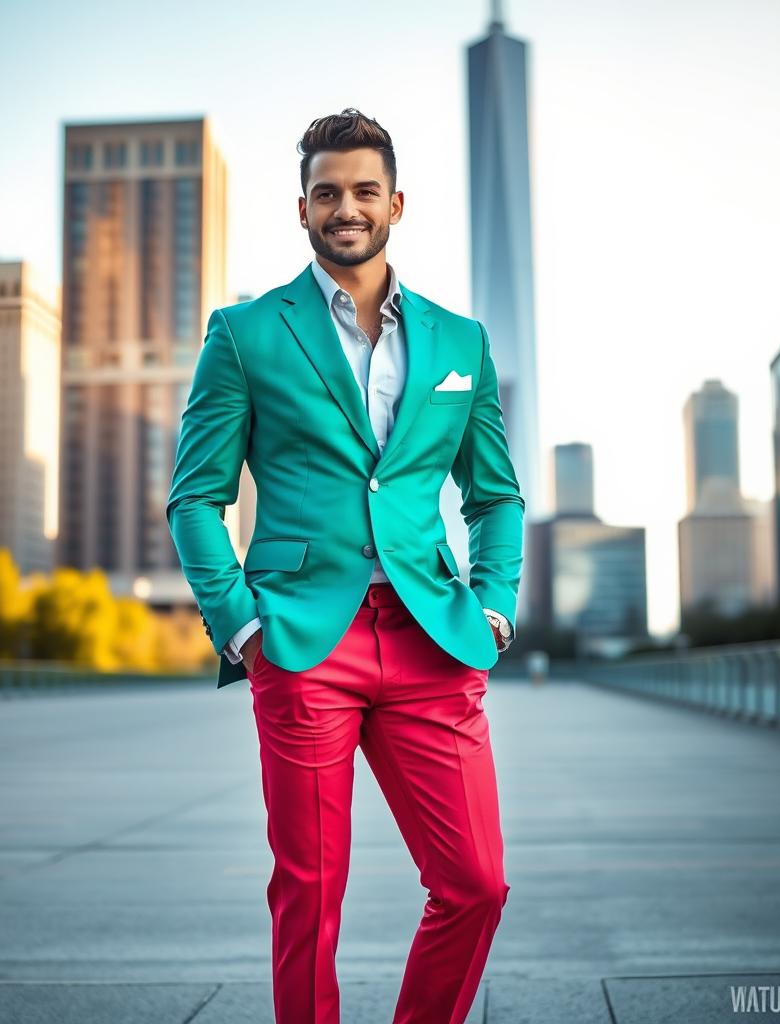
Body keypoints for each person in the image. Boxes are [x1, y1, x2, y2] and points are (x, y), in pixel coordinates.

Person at [166, 107, 525, 1024]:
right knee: (311, 893)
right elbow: (194, 498)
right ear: (302, 209)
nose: (347, 207)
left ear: (396, 202)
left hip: (431, 640)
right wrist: (243, 626)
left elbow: (495, 495)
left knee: (476, 884)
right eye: (328, 193)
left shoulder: (460, 343)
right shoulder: (244, 334)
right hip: (301, 638)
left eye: (365, 190)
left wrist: (493, 604)